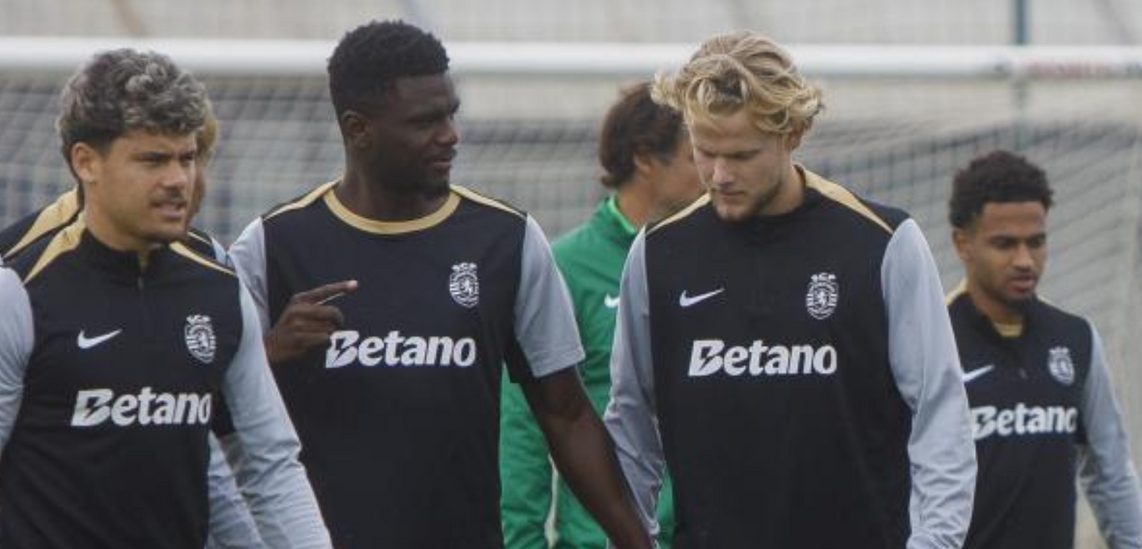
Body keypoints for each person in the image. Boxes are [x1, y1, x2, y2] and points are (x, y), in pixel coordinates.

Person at [228, 20, 650, 549]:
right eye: (425, 121)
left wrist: (637, 542)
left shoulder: (506, 241)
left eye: (451, 113)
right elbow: (203, 409)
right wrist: (267, 353)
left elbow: (565, 413)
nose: (450, 135)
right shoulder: (272, 246)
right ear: (358, 129)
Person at [0, 48, 330, 549]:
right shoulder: (12, 294)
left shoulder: (219, 290)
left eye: (186, 158)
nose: (178, 180)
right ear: (86, 162)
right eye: (153, 160)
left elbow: (272, 468)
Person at [602, 30, 977, 549]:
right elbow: (630, 424)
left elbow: (941, 413)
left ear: (794, 132)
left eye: (742, 155)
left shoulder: (882, 242)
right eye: (704, 152)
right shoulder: (658, 253)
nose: (720, 174)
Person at [500, 82, 700, 549]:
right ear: (645, 159)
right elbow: (523, 425)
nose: (715, 172)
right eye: (697, 157)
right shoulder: (565, 267)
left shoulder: (716, 261)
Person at [946, 150, 1142, 549]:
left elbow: (1111, 475)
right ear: (963, 243)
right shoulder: (932, 341)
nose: (1025, 260)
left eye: (1035, 242)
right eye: (1005, 244)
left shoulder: (1075, 338)